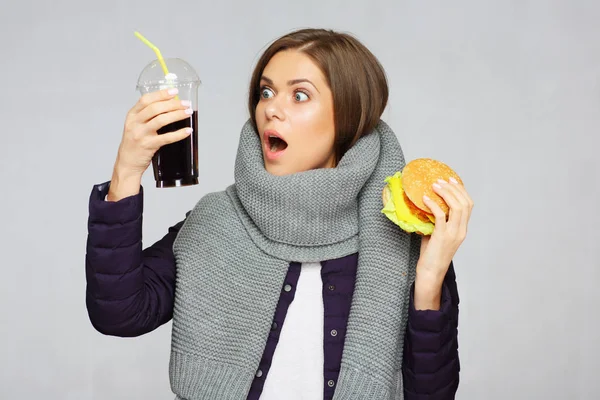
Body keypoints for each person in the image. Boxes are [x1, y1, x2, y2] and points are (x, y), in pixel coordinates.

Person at [85, 28, 473, 400]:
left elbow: (432, 395)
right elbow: (118, 313)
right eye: (266, 92)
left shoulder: (402, 242)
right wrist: (127, 171)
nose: (271, 108)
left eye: (299, 96)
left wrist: (429, 279)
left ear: (349, 116)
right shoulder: (215, 221)